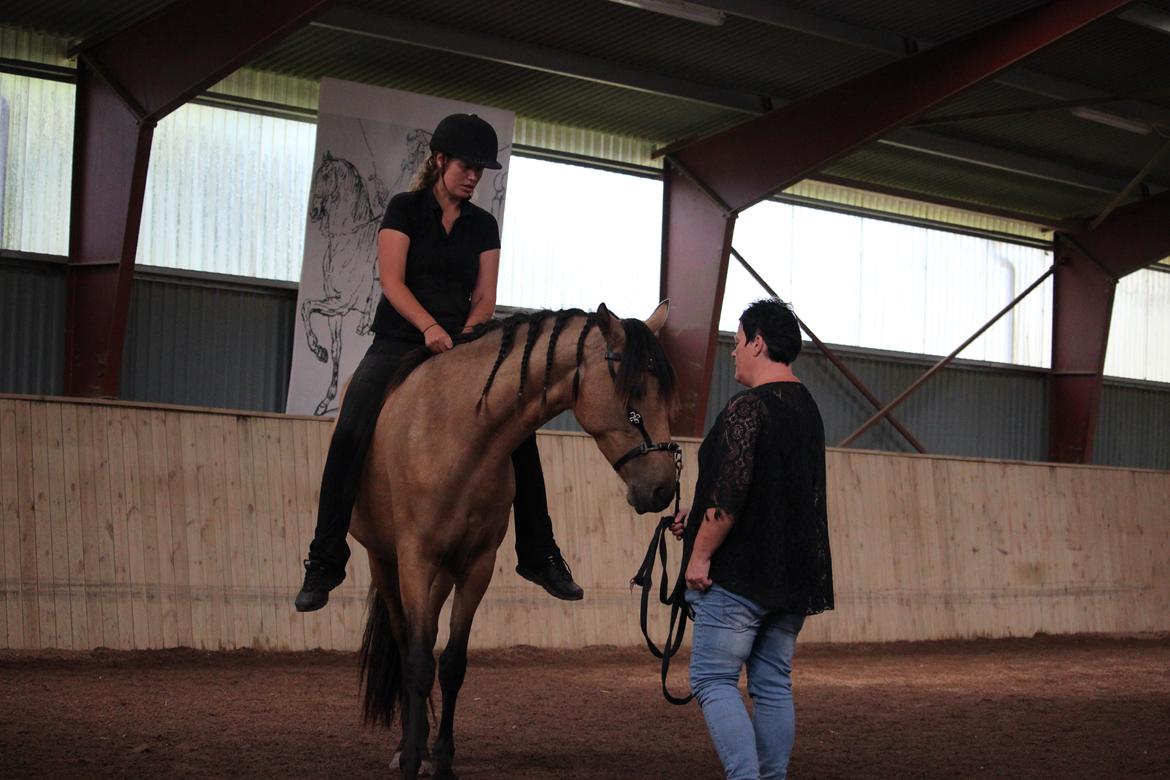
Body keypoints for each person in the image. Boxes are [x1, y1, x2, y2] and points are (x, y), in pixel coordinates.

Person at [295, 113, 583, 611]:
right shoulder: (404, 209)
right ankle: (324, 559)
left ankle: (539, 552)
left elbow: (485, 296)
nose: (474, 177)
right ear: (440, 160)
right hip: (399, 340)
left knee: (519, 427)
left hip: (461, 345)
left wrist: (469, 337)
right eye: (466, 166)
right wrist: (428, 328)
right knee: (351, 428)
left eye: (480, 170)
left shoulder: (484, 225)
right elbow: (392, 281)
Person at [669, 298, 833, 780]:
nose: (734, 352)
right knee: (773, 685)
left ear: (758, 342)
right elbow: (773, 490)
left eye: (738, 341)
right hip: (792, 579)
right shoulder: (807, 409)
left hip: (739, 579)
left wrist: (699, 555)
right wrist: (697, 513)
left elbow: (732, 494)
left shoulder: (748, 408)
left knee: (713, 678)